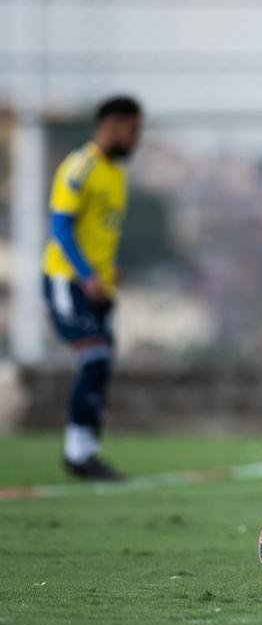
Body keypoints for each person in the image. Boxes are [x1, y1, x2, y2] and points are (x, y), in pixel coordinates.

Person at [42, 95, 143, 480]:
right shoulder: (79, 167)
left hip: (100, 286)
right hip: (67, 281)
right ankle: (78, 454)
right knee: (95, 355)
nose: (137, 139)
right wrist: (85, 273)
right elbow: (61, 228)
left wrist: (107, 269)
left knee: (101, 364)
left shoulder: (116, 175)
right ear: (114, 126)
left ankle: (85, 451)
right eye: (134, 130)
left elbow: (99, 232)